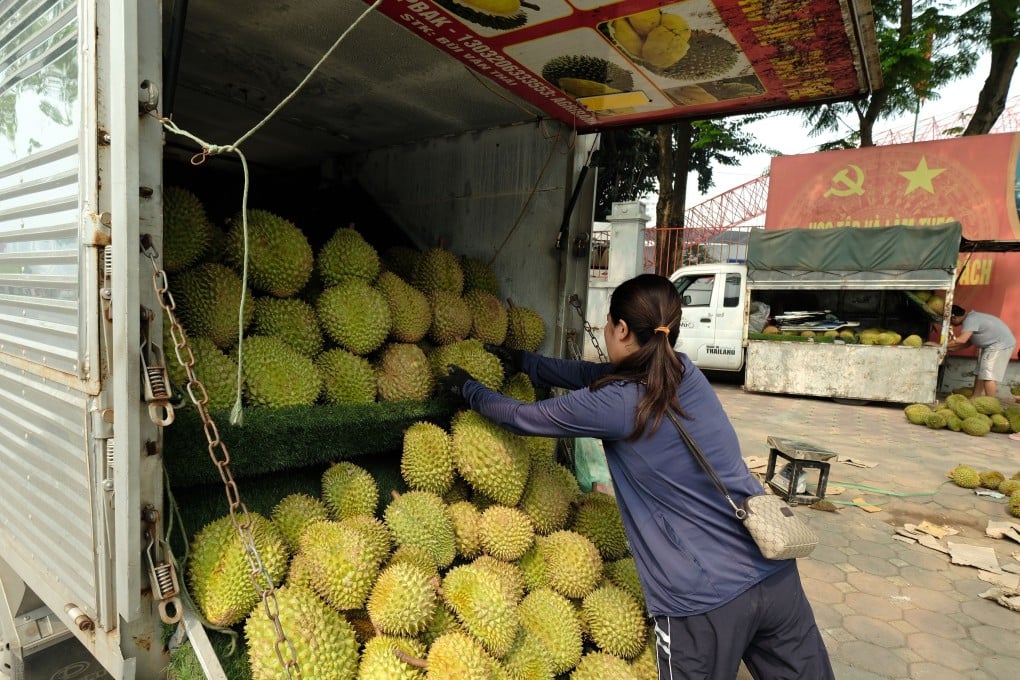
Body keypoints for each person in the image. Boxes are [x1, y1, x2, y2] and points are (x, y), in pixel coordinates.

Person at [439, 274, 834, 680]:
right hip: (774, 572)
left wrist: (471, 390)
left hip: (702, 600)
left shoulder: (619, 403)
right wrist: (529, 363)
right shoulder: (685, 373)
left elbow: (524, 418)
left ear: (622, 330)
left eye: (608, 325)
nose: (606, 332)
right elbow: (595, 376)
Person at [947, 304, 1016, 399]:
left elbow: (962, 340)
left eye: (950, 321)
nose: (951, 324)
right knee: (980, 372)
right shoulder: (972, 318)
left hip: (1000, 345)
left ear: (954, 317)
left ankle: (991, 403)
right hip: (990, 346)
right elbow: (967, 343)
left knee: (989, 374)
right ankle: (975, 397)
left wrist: (942, 346)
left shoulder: (970, 320)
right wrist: (949, 348)